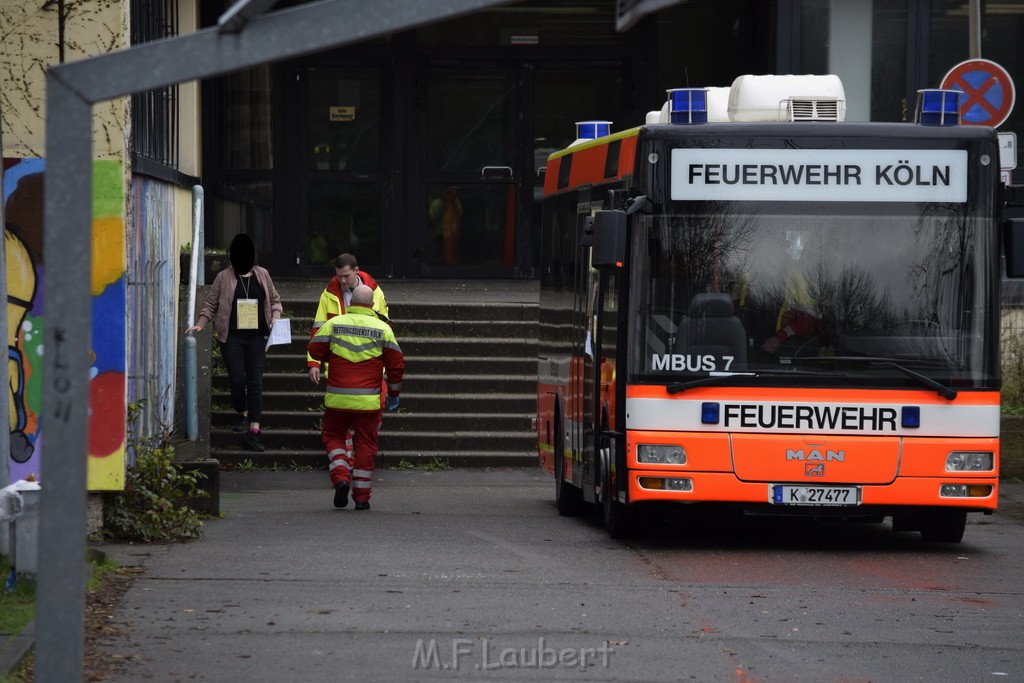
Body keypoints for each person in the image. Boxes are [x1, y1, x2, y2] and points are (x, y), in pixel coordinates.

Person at [307, 284, 403, 511]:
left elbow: (315, 349)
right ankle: (362, 498)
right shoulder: (383, 329)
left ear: (350, 304)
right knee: (366, 446)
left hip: (338, 399)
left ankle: (341, 478)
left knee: (333, 436)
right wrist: (394, 393)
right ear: (371, 305)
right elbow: (396, 366)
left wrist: (334, 355)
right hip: (368, 401)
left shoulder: (333, 324)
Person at [187, 234, 282, 452]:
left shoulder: (262, 275)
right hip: (232, 338)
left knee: (255, 381)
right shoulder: (224, 277)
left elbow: (275, 300)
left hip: (256, 337)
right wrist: (201, 324)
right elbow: (210, 303)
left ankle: (255, 430)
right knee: (238, 378)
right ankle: (242, 413)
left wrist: (275, 316)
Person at [306, 252, 389, 373]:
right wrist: (314, 363)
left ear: (356, 270)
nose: (343, 281)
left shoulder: (375, 292)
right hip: (339, 362)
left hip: (368, 360)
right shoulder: (328, 295)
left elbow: (385, 328)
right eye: (339, 276)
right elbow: (318, 329)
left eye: (346, 276)